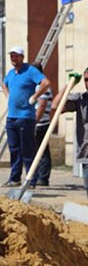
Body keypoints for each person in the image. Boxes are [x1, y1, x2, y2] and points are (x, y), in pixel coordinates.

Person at [1, 46, 50, 188]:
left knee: (28, 150)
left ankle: (31, 180)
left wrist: (35, 96)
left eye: (16, 56)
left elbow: (46, 83)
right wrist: (8, 96)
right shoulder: (11, 73)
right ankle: (15, 178)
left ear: (22, 57)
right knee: (14, 149)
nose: (13, 58)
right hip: (11, 117)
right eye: (11, 56)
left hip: (25, 117)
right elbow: (4, 84)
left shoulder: (30, 71)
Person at [52, 68, 88, 198]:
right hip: (86, 155)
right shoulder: (80, 99)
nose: (87, 83)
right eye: (86, 80)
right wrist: (69, 85)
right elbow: (55, 106)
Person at [32, 62, 54, 186]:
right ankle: (39, 176)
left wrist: (35, 122)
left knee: (42, 151)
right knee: (37, 150)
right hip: (39, 122)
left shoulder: (43, 85)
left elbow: (42, 105)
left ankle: (43, 178)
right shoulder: (37, 85)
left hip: (41, 123)